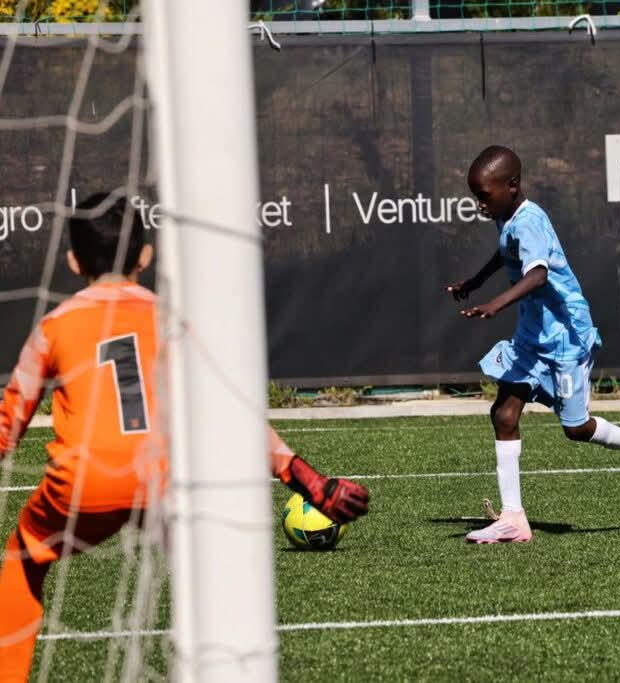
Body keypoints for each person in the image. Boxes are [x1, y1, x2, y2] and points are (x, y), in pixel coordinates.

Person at [0, 192, 368, 681]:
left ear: (71, 261)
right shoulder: (173, 321)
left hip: (83, 485)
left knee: (22, 562)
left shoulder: (53, 326)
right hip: (167, 480)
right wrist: (304, 477)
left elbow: (9, 422)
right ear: (146, 256)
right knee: (213, 583)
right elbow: (229, 409)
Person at [446, 146, 620, 545]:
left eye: (484, 195)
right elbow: (506, 251)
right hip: (532, 335)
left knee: (576, 428)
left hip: (563, 336)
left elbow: (539, 275)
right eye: (475, 195)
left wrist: (495, 303)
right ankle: (513, 518)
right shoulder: (507, 216)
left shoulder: (530, 221)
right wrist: (475, 282)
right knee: (504, 412)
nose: (479, 204)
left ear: (512, 186)